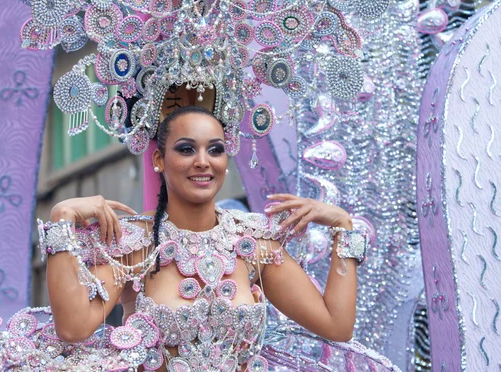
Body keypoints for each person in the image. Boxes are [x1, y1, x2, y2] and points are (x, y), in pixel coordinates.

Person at [42, 105, 363, 370]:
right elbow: (73, 328)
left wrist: (344, 227)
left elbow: (336, 325)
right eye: (186, 149)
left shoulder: (253, 243)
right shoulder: (134, 245)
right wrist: (61, 218)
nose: (203, 161)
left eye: (215, 149)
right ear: (158, 160)